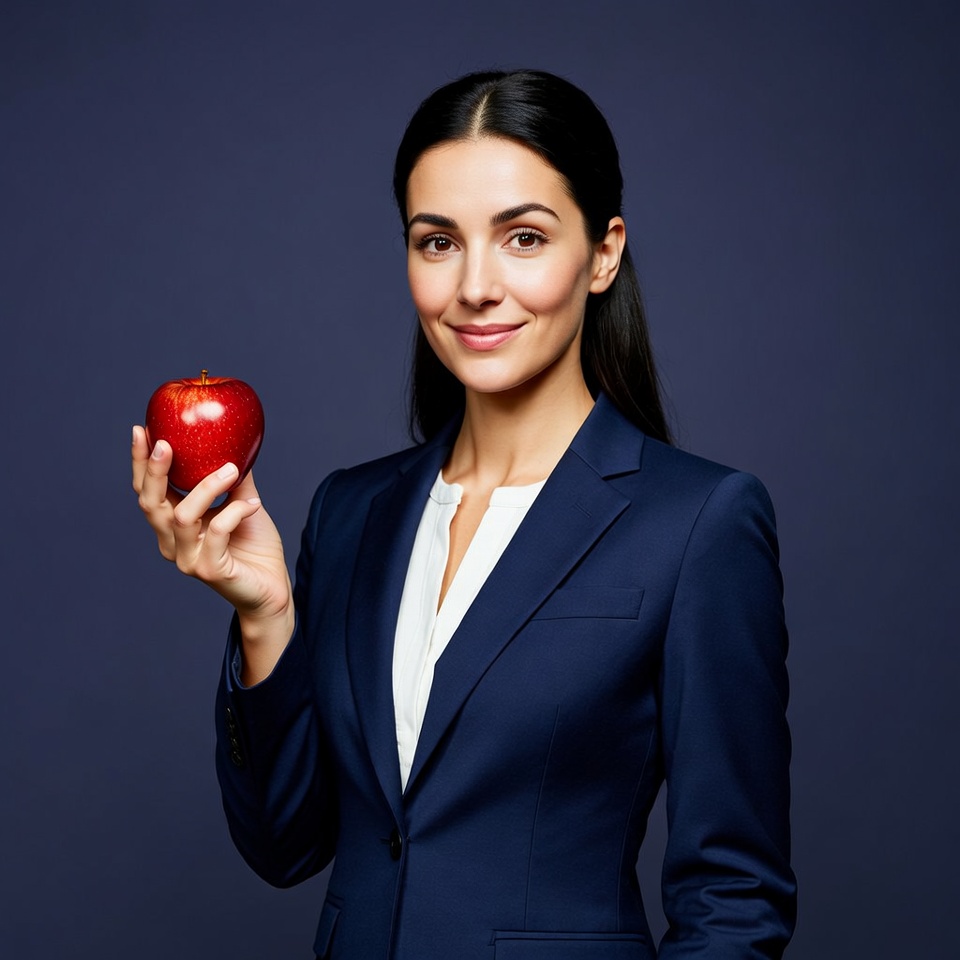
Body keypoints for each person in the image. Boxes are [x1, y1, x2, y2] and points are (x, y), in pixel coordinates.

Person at [132, 69, 796, 959]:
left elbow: (735, 898)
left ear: (603, 254)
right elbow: (285, 847)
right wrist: (265, 615)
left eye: (523, 237)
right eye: (437, 242)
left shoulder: (700, 520)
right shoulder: (351, 511)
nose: (475, 286)